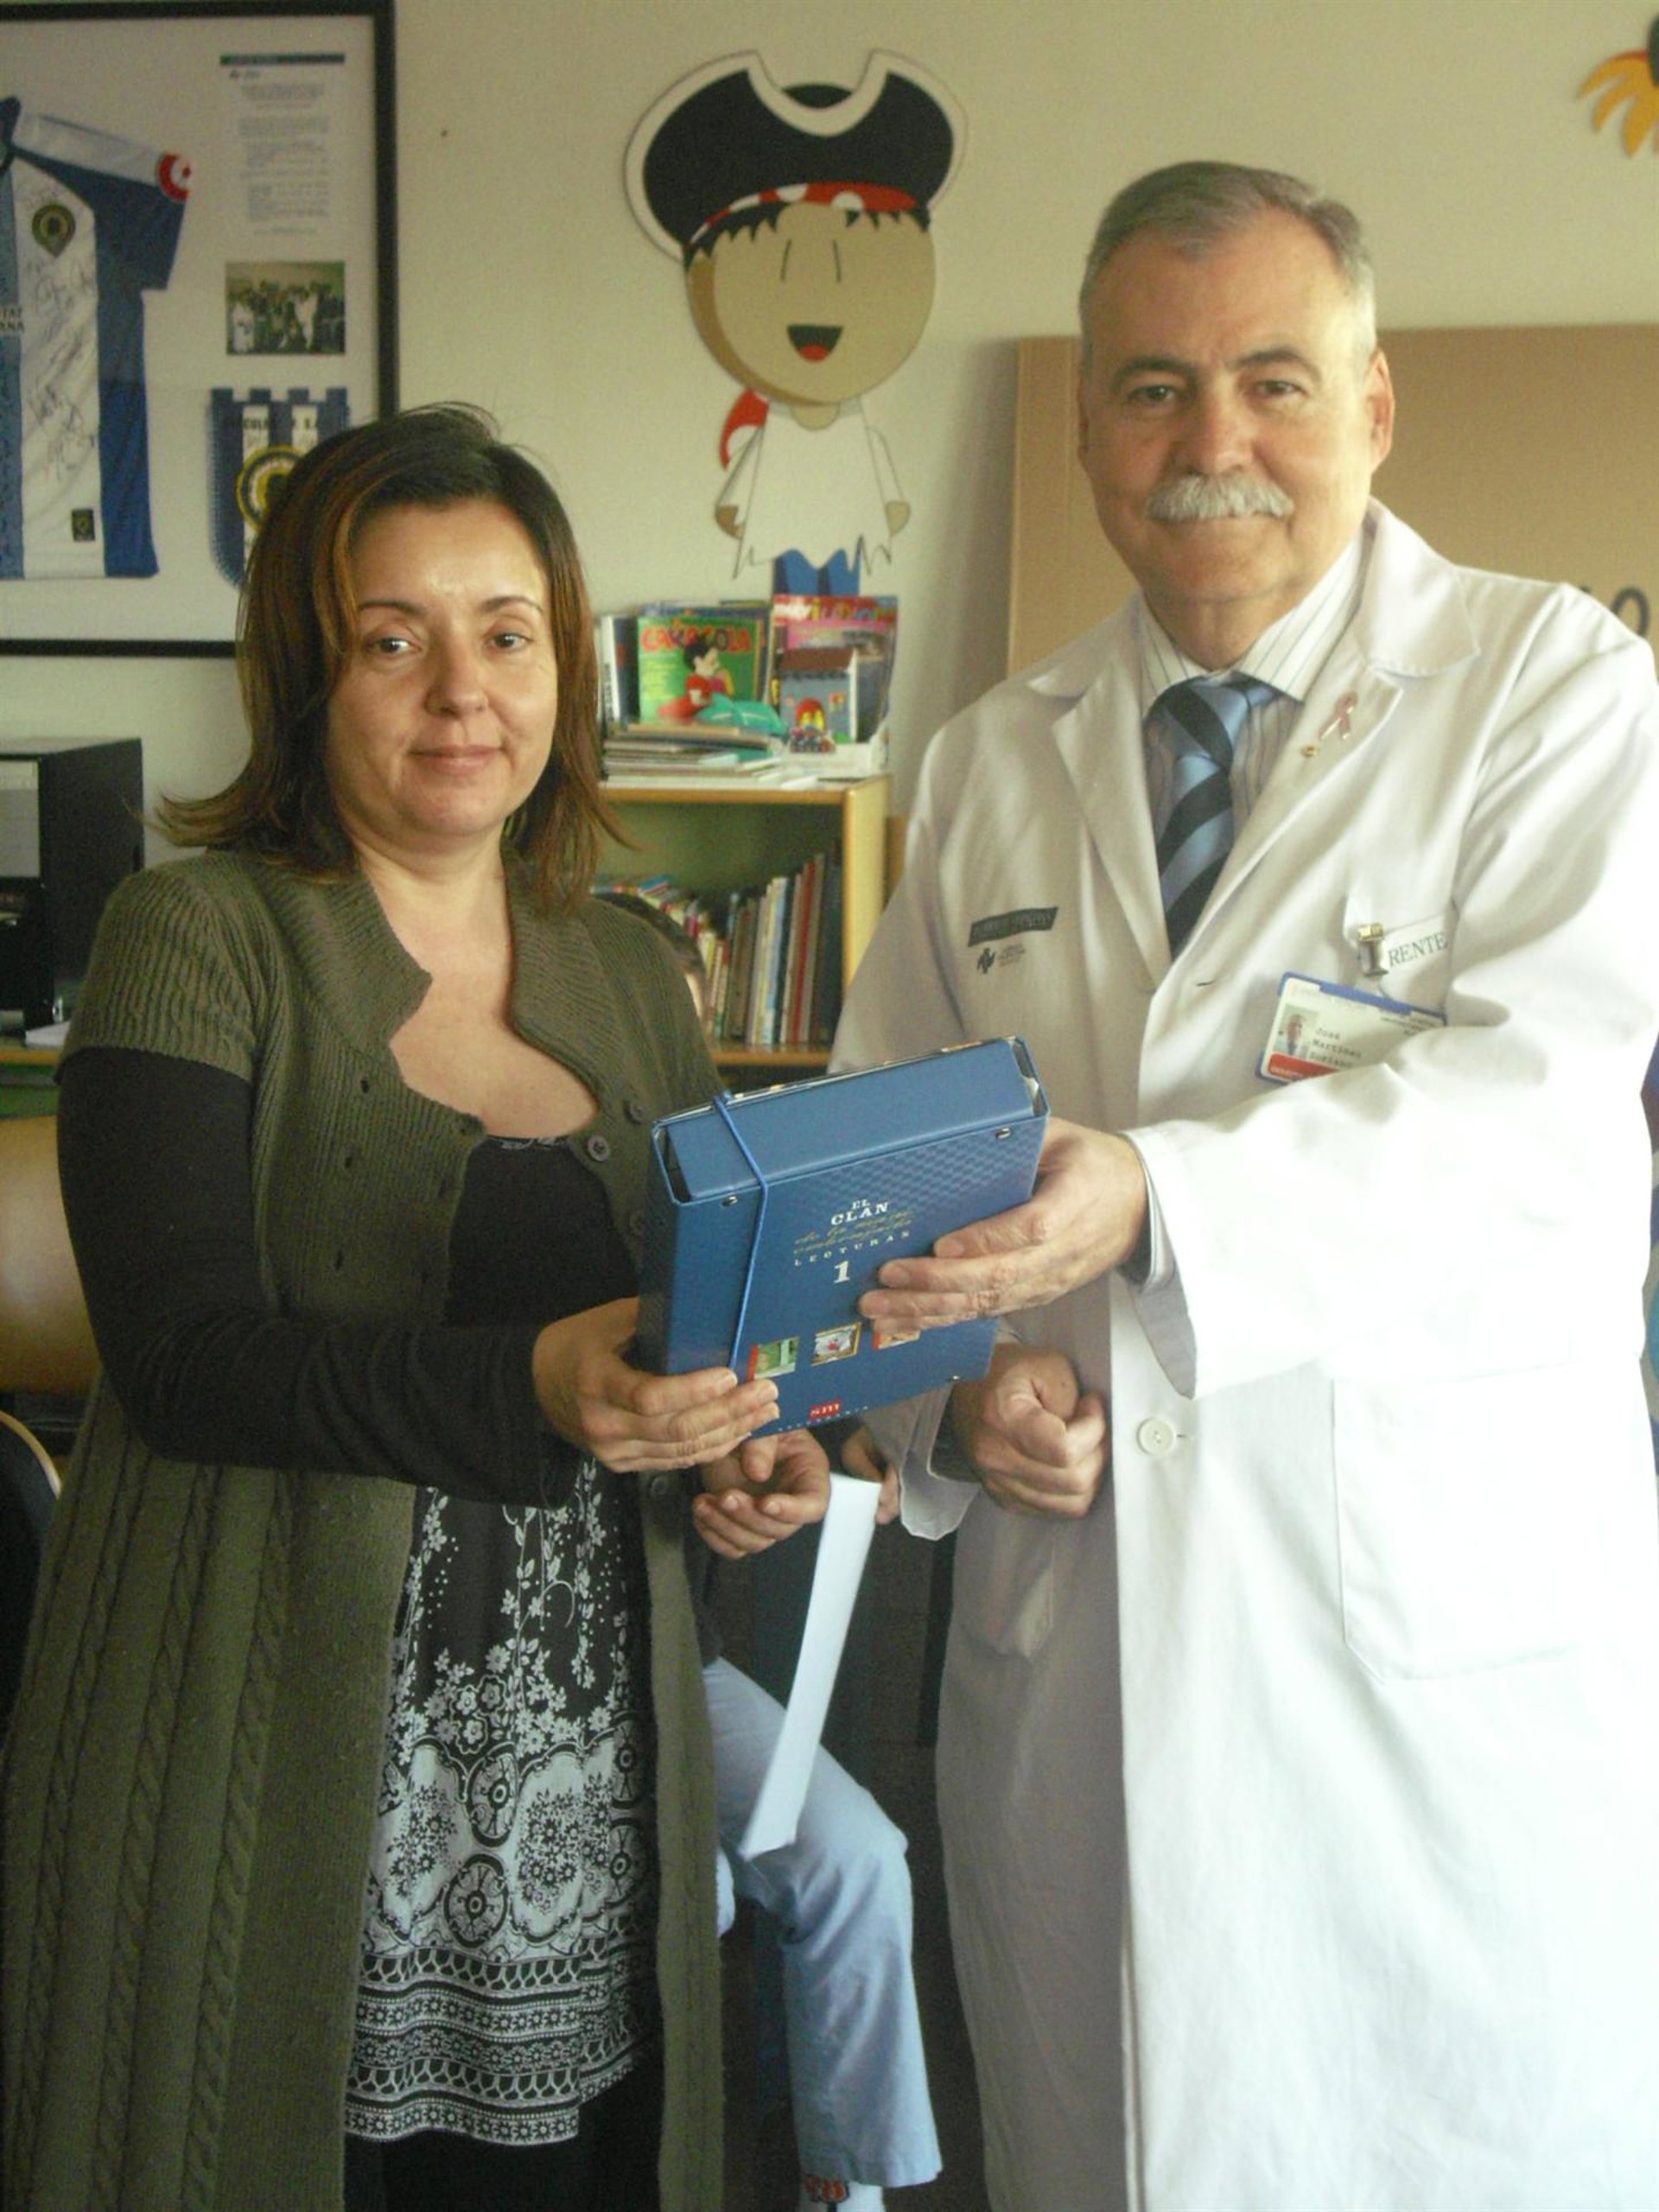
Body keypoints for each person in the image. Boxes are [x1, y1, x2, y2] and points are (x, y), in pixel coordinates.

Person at [834, 162, 1659, 2209]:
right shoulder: (989, 761)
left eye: (1275, 381)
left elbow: (1539, 1108)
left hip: (1426, 1681)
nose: (1213, 441)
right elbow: (880, 1174)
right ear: (1088, 427)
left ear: (1373, 408)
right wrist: (958, 1400)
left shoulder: (1551, 692)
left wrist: (1158, 1198)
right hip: (1083, 1664)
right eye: (1151, 388)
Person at [1, 404, 831, 2212]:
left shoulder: (633, 969)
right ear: (308, 678)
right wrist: (532, 1379)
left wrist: (737, 1447)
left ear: (565, 666)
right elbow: (185, 1360)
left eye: (507, 633)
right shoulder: (195, 934)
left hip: (572, 1793)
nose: (464, 690)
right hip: (269, 1760)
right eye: (394, 639)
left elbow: (693, 1320)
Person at [598, 888, 943, 2212]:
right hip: (540, 1683)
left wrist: (779, 1470)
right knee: (691, 1905)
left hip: (675, 1661)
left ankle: (846, 2192)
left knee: (858, 1861)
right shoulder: (539, 1205)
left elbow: (770, 1421)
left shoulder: (731, 1231)